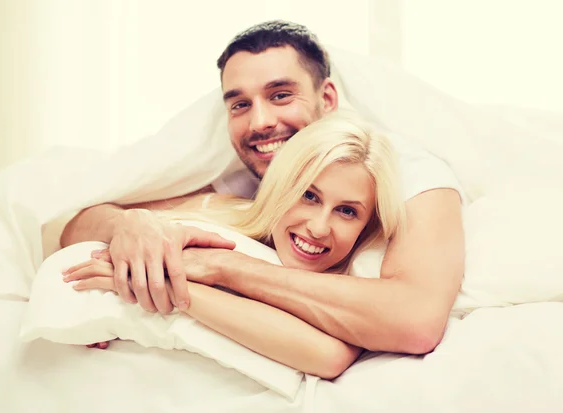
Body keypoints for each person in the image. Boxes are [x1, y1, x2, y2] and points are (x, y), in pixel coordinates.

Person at [60, 20, 465, 354]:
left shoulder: (404, 171)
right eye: (239, 104)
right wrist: (131, 224)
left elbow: (415, 321)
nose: (259, 123)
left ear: (326, 98)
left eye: (281, 95)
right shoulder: (244, 170)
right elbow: (75, 224)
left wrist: (223, 269)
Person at [63, 111, 405, 378]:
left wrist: (172, 284)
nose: (318, 227)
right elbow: (72, 229)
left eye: (346, 211)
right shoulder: (218, 208)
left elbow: (328, 357)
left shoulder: (348, 284)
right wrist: (129, 222)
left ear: (366, 225)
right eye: (308, 195)